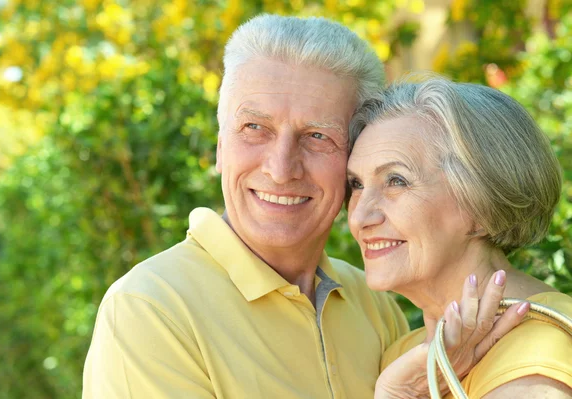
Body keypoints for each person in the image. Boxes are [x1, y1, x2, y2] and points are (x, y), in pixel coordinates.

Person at [82, 16, 523, 398]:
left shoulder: (373, 303)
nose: (280, 168)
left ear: (355, 160)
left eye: (317, 137)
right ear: (220, 148)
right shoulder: (150, 309)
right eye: (254, 127)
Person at [347, 76, 572, 398]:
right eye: (356, 184)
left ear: (481, 204)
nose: (358, 216)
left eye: (396, 180)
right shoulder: (407, 358)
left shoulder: (539, 351)